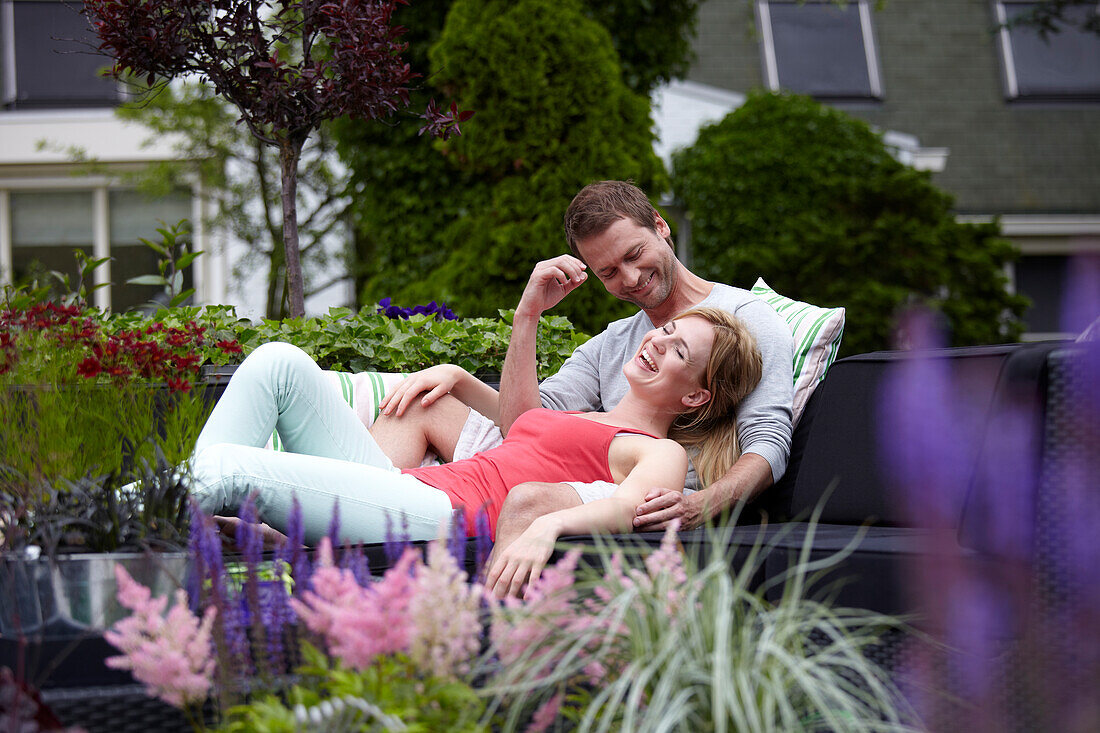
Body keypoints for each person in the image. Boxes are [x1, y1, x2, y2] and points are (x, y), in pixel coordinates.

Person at [189, 306, 762, 599]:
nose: (656, 343)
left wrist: (549, 525)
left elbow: (630, 507)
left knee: (232, 470)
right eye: (663, 333)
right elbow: (511, 421)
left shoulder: (658, 451)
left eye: (678, 349)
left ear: (695, 395)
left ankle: (118, 514)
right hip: (412, 487)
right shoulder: (579, 415)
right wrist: (519, 321)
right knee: (278, 363)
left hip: (442, 521)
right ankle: (171, 505)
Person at [371, 181, 794, 551]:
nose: (629, 279)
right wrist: (526, 317)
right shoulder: (614, 343)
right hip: (546, 464)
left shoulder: (746, 318)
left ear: (661, 226)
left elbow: (769, 438)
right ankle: (361, 522)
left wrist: (704, 503)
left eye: (634, 254)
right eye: (608, 271)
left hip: (624, 494)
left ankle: (370, 514)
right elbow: (522, 423)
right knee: (419, 402)